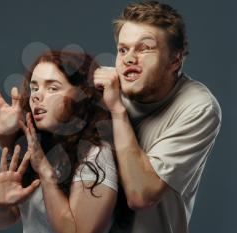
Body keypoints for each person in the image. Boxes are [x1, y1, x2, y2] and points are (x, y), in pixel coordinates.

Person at [0, 51, 123, 233]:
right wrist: (1, 206)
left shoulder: (96, 155)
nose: (36, 96)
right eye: (34, 88)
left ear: (82, 97)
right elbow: (2, 220)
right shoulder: (36, 144)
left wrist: (45, 173)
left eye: (53, 88)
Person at [93, 1, 222, 233]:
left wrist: (118, 111)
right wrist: (9, 136)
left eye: (144, 49)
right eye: (123, 49)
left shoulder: (198, 106)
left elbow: (141, 195)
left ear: (174, 60)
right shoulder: (99, 88)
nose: (129, 59)